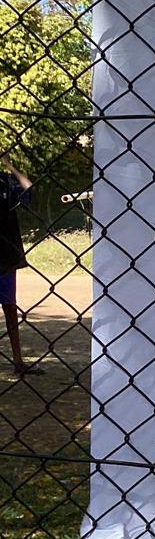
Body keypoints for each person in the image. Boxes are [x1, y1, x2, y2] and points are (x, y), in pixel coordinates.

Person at [0, 154, 40, 374]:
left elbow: (28, 188)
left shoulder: (5, 181)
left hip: (5, 257)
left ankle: (18, 360)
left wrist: (9, 164)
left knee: (10, 308)